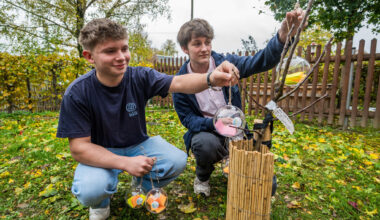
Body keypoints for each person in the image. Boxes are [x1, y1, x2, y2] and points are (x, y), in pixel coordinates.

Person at [56, 18, 239, 220]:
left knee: (177, 161)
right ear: (89, 57)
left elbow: (178, 82)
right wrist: (125, 162)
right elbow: (79, 148)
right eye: (110, 51)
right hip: (101, 151)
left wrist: (210, 78)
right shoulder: (77, 92)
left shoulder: (140, 76)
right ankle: (100, 204)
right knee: (91, 190)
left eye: (124, 49)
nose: (121, 57)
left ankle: (140, 187)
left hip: (138, 145)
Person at [172, 9, 307, 197]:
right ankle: (202, 177)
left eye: (207, 42)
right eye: (197, 44)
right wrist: (213, 123)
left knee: (269, 185)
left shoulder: (227, 64)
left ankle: (232, 159)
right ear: (185, 49)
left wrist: (282, 37)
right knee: (204, 144)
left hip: (237, 132)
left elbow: (260, 61)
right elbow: (188, 119)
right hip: (208, 133)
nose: (204, 48)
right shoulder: (181, 81)